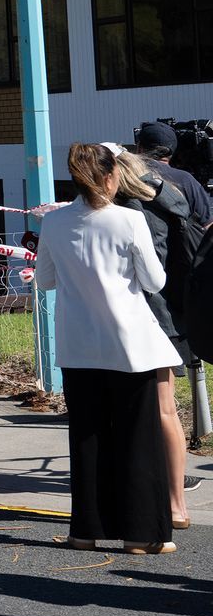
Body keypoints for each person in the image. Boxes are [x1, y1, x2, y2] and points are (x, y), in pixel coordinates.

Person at [35, 143, 180, 554]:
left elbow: (44, 280)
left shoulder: (55, 223)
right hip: (129, 344)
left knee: (87, 438)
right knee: (138, 438)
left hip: (78, 344)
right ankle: (141, 534)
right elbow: (155, 282)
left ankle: (85, 530)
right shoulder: (129, 221)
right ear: (112, 176)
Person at [112, 147, 198, 532]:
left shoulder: (127, 211)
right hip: (175, 317)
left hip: (144, 316)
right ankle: (176, 503)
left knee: (143, 410)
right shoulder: (168, 197)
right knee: (167, 412)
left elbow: (145, 274)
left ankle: (153, 500)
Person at [134, 122, 213, 227]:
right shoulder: (186, 181)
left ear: (140, 148)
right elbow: (207, 226)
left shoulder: (128, 177)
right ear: (172, 152)